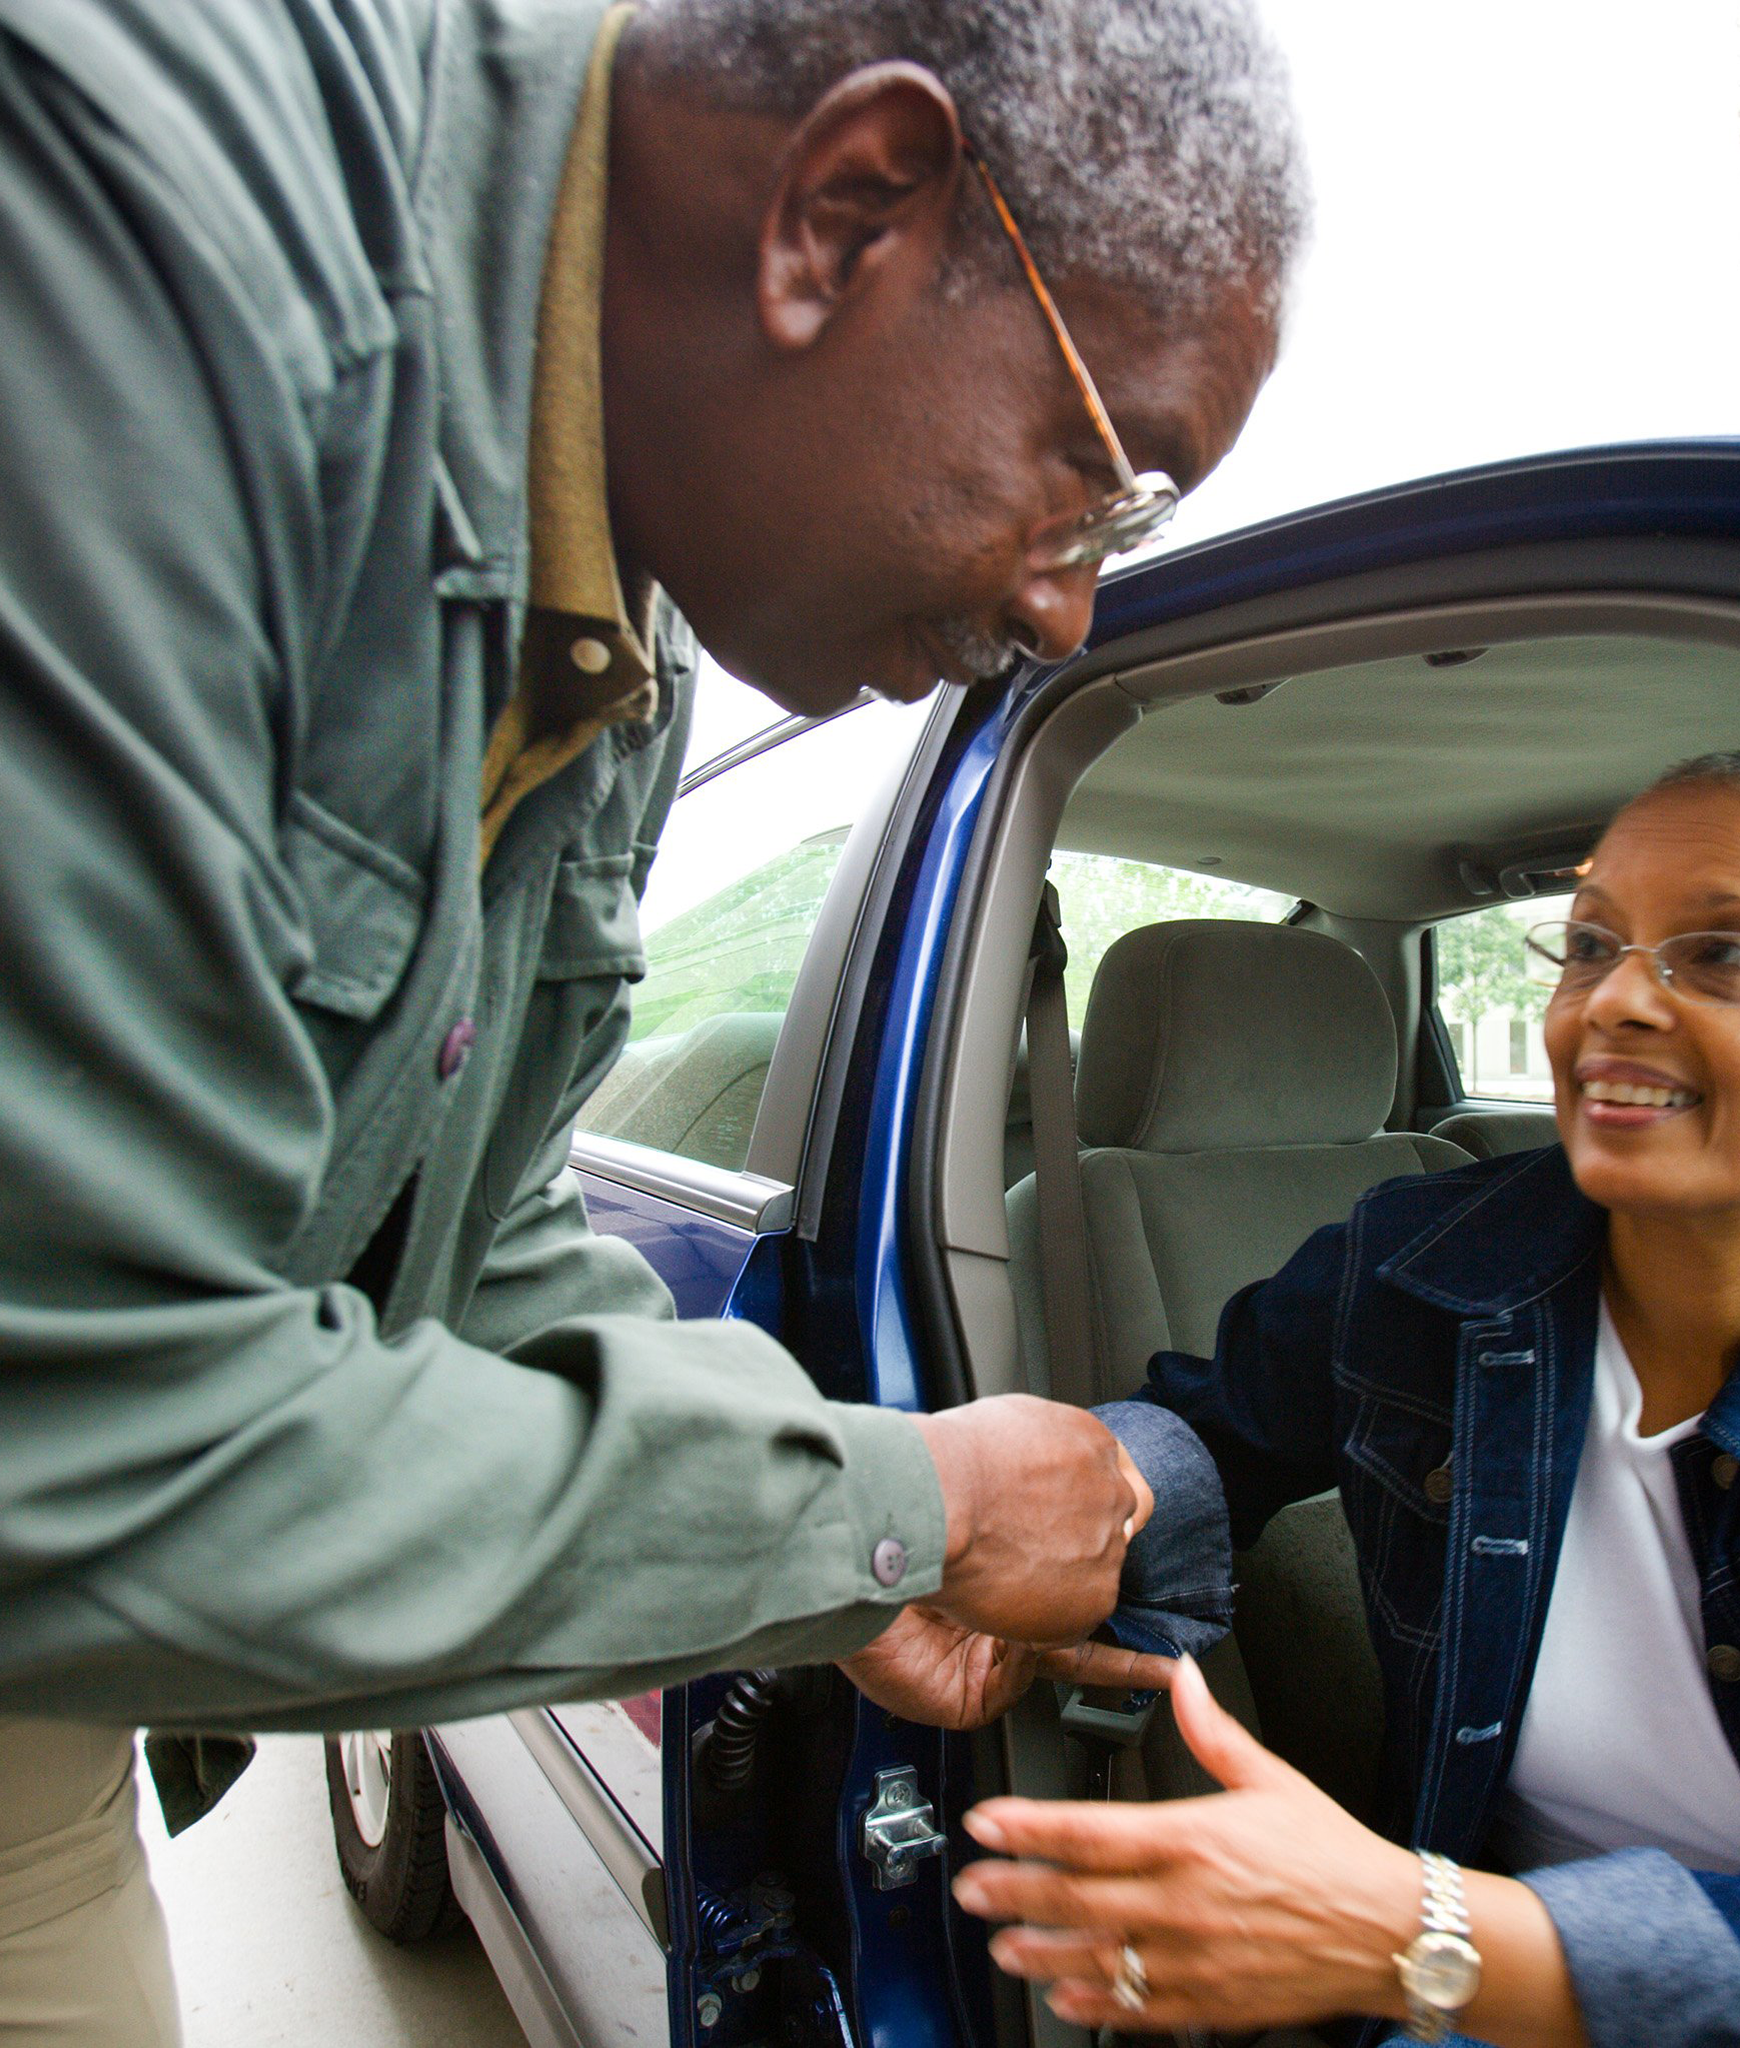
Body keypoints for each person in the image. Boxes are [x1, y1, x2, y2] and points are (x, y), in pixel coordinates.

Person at [0, 0, 1303, 2038]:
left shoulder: (624, 623)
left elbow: (478, 1241)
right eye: (1100, 480)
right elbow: (71, 1406)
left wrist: (851, 1538)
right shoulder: (134, 235)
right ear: (848, 209)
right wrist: (910, 1507)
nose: (1068, 609)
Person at [950, 751, 1740, 2048]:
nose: (1617, 1002)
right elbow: (1203, 1433)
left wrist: (1414, 1934)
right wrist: (1002, 1525)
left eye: (1724, 954)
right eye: (1591, 945)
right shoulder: (1423, 1262)